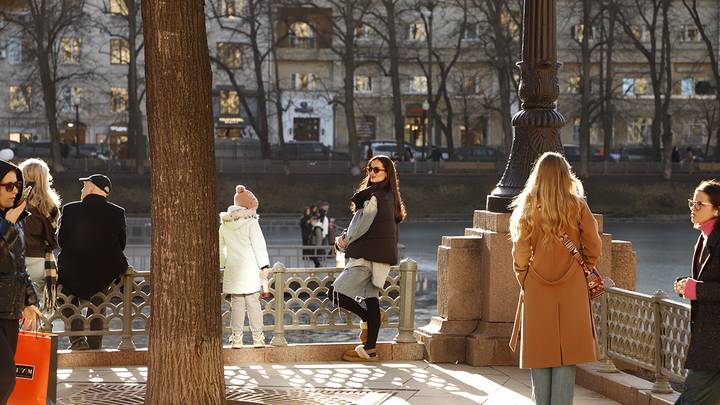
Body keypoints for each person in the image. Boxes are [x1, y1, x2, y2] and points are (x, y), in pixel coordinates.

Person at [508, 152, 602, 405]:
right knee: (567, 353)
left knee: (540, 352)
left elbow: (520, 248)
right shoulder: (577, 205)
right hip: (572, 286)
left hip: (537, 285)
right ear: (565, 175)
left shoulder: (528, 205)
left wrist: (524, 276)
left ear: (537, 176)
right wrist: (584, 267)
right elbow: (594, 243)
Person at [333, 155, 406, 362]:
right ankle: (370, 349)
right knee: (371, 300)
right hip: (381, 258)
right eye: (370, 169)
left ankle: (367, 318)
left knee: (334, 293)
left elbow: (360, 226)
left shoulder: (373, 197)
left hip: (365, 256)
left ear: (387, 173)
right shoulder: (391, 197)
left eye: (377, 170)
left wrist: (341, 241)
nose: (372, 173)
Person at [57, 174, 128, 350]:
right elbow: (122, 244)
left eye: (84, 186)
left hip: (72, 270)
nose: (82, 189)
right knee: (99, 302)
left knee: (64, 298)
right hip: (103, 272)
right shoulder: (118, 212)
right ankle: (95, 344)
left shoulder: (70, 209)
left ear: (91, 187)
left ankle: (77, 339)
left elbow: (61, 241)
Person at [673, 179, 720, 405]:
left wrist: (695, 289)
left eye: (700, 204)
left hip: (713, 344)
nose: (693, 208)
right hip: (708, 340)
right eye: (693, 203)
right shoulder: (704, 238)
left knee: (690, 398)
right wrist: (687, 285)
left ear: (717, 209)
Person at [0, 159, 41, 403]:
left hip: (9, 312)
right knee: (5, 378)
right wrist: (8, 224)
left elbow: (19, 267)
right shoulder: (10, 221)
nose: (15, 191)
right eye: (8, 186)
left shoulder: (13, 219)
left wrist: (29, 301)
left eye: (18, 185)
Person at [219, 185, 270, 348]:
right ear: (248, 206)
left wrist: (223, 264)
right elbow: (259, 245)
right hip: (250, 269)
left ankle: (237, 338)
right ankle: (258, 338)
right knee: (253, 304)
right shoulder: (251, 223)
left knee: (237, 306)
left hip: (233, 269)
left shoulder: (224, 225)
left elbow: (221, 249)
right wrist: (264, 266)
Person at [19, 158, 61, 311]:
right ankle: (43, 330)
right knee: (44, 306)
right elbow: (54, 237)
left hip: (16, 262)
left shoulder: (14, 202)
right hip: (41, 263)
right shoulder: (50, 205)